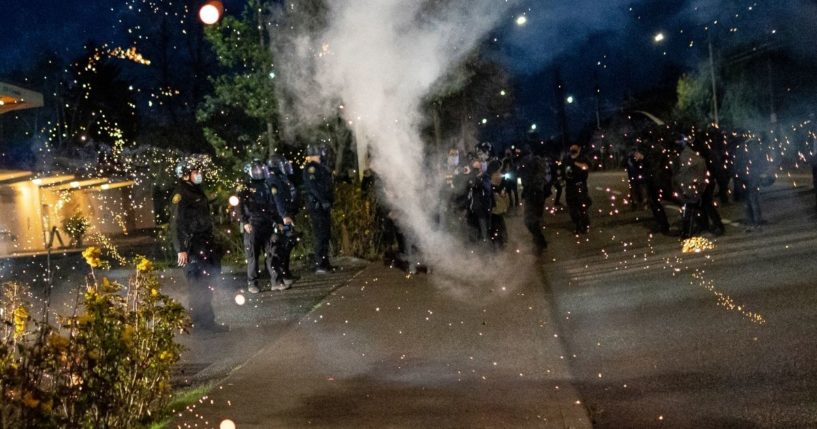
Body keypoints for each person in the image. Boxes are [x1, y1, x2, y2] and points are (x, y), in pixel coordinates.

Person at [170, 156, 227, 332]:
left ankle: (199, 320)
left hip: (203, 242)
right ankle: (204, 323)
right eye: (196, 172)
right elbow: (176, 223)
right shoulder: (181, 194)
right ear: (186, 175)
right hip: (192, 245)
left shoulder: (196, 190)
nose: (199, 174)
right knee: (197, 284)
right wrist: (181, 249)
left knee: (206, 281)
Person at [237, 159, 291, 293]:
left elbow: (274, 204)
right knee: (253, 256)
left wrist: (278, 220)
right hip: (252, 223)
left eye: (260, 169)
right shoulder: (244, 187)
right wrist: (244, 222)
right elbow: (239, 207)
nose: (259, 172)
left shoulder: (268, 185)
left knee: (273, 252)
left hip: (268, 222)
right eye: (256, 170)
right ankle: (252, 283)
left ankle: (277, 281)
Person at [303, 144, 335, 273]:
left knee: (325, 234)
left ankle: (325, 263)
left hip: (323, 205)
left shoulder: (320, 167)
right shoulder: (311, 168)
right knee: (320, 234)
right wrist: (322, 200)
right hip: (317, 205)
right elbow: (313, 187)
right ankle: (320, 264)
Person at [268, 155, 299, 282]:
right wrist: (284, 215)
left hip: (286, 216)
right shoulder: (273, 180)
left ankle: (285, 272)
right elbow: (277, 199)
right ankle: (282, 274)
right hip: (280, 219)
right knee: (280, 246)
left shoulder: (282, 179)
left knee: (288, 242)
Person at [673, 134, 708, 239]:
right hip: (690, 185)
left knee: (690, 209)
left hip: (691, 186)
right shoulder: (687, 155)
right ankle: (690, 230)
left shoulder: (688, 156)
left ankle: (688, 232)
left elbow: (683, 173)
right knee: (690, 209)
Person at [517, 146, 552, 254]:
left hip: (532, 194)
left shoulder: (527, 162)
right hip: (538, 194)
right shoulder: (540, 162)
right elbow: (547, 179)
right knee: (535, 219)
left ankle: (540, 243)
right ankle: (539, 242)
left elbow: (524, 179)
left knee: (529, 220)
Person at [633, 137, 671, 234]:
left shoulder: (656, 149)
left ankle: (664, 225)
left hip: (657, 179)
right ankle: (662, 224)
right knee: (654, 202)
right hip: (653, 179)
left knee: (656, 202)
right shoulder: (652, 148)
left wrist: (643, 158)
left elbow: (654, 164)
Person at [562, 144, 592, 234]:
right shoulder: (566, 159)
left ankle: (585, 225)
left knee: (582, 207)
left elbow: (587, 166)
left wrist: (575, 163)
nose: (573, 149)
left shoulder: (583, 158)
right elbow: (563, 170)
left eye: (575, 147)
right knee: (572, 208)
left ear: (579, 149)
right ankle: (578, 224)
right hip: (569, 187)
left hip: (580, 186)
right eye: (571, 147)